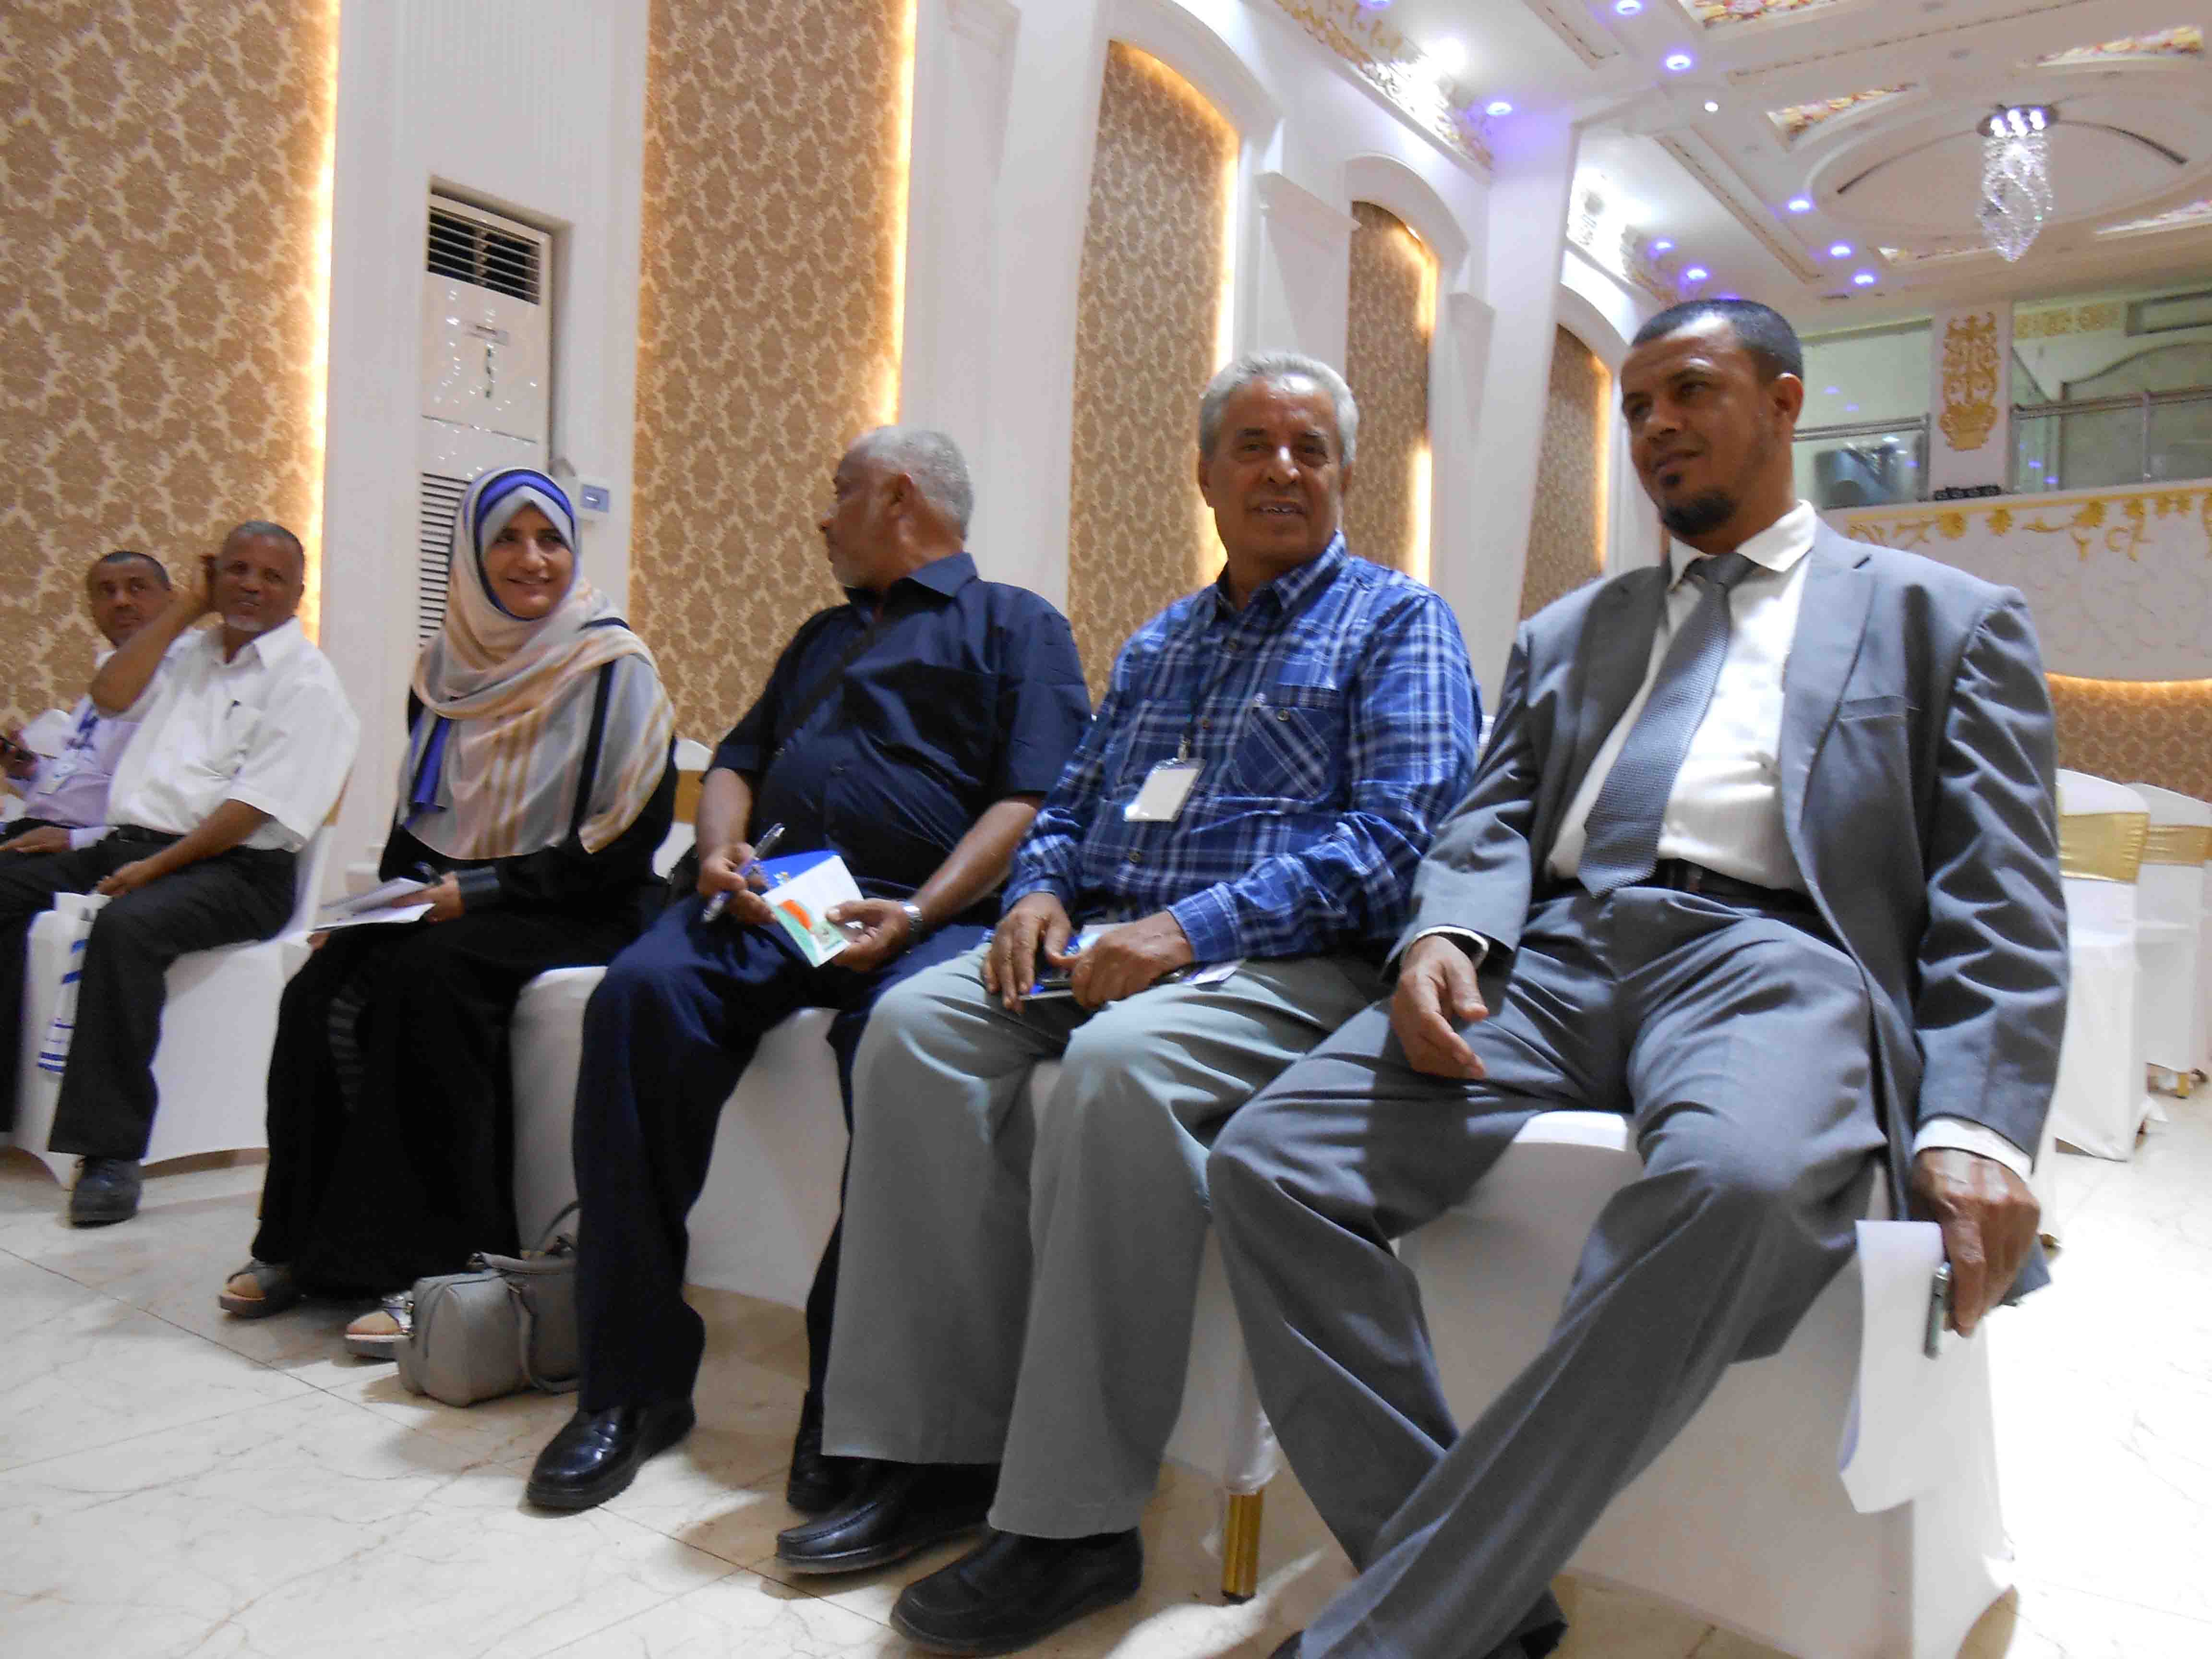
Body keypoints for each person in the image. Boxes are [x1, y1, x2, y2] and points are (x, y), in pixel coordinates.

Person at [1210, 301, 2068, 1659]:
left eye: (1691, 392)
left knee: (1734, 1185)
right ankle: (1484, 1607)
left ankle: (1398, 1631)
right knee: (1269, 1160)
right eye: (1636, 408)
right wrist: (1445, 937)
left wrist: (1978, 1121)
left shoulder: (1940, 618)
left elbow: (2000, 893)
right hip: (1554, 956)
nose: (1656, 426)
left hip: (1775, 960)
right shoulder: (1568, 632)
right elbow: (1490, 818)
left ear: (1783, 403)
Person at [781, 353, 1482, 1657]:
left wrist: (1187, 931)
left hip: (1290, 964)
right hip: (1108, 942)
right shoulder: (1164, 642)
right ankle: (937, 1452)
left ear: (1346, 475)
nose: (1284, 469)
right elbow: (1070, 804)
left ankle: (1075, 1523)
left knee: (1118, 1070)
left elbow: (1401, 838)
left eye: (1312, 448)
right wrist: (1039, 892)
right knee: (914, 1032)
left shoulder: (1398, 623)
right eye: (1255, 445)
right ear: (1206, 473)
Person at [524, 427, 1091, 1513]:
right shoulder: (822, 636)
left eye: (840, 492)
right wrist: (720, 852)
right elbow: (734, 762)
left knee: (899, 1046)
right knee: (640, 994)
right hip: (778, 898)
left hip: (925, 912)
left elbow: (1033, 800)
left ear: (899, 495)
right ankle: (631, 1385)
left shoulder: (1016, 625)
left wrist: (918, 910)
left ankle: (850, 1401)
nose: (823, 517)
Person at [218, 469, 677, 1359]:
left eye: (550, 539)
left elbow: (628, 838)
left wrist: (493, 890)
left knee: (430, 983)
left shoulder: (612, 666)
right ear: (469, 554)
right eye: (507, 538)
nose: (531, 559)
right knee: (318, 990)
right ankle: (300, 1244)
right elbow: (421, 817)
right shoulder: (443, 671)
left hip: (581, 897)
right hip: (459, 895)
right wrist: (369, 913)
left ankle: (434, 1268)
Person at [0, 521, 359, 1226]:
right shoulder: (189, 653)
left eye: (272, 577)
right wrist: (189, 606)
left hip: (239, 870)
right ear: (213, 573)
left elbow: (251, 810)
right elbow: (109, 695)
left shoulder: (308, 684)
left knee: (126, 928)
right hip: (130, 846)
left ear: (297, 592)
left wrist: (156, 868)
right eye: (237, 570)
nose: (251, 586)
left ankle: (110, 1156)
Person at [1, 551, 171, 856]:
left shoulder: (182, 680)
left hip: (95, 848)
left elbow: (175, 808)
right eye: (106, 592)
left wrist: (79, 840)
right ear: (92, 609)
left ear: (172, 600)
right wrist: (31, 770)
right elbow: (83, 772)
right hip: (34, 828)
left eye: (137, 588)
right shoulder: (107, 679)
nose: (121, 601)